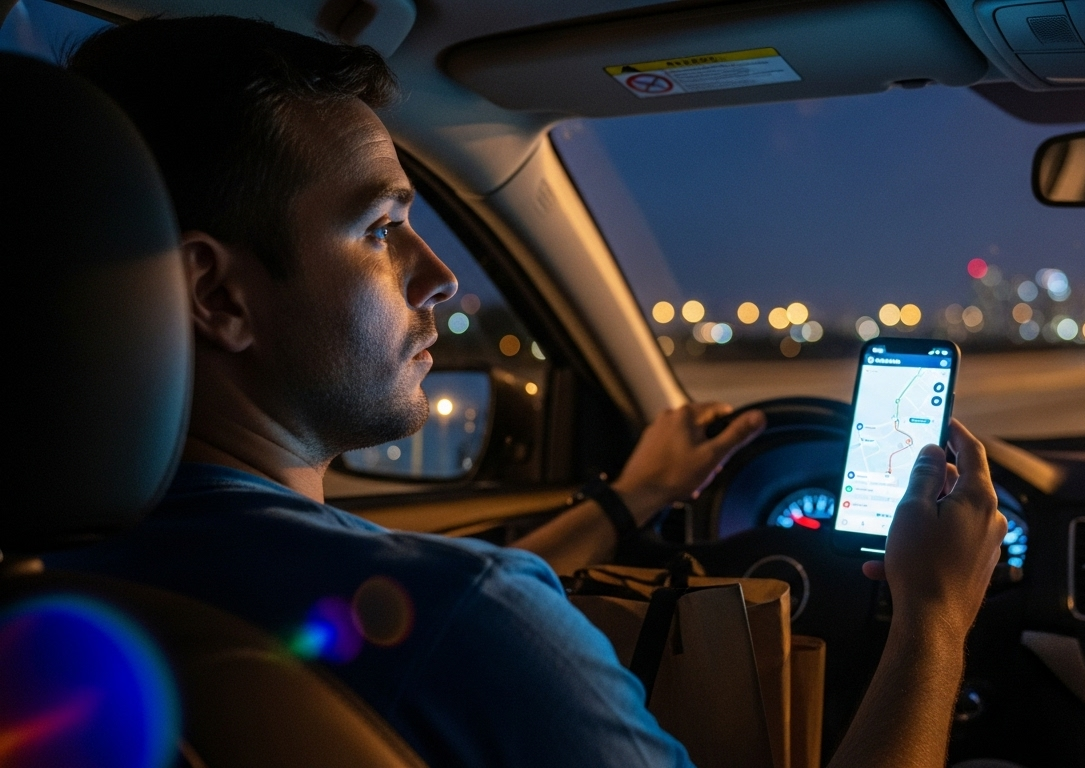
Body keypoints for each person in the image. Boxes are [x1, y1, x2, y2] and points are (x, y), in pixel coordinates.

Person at [47, 16, 1007, 768]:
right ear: (219, 296)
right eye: (380, 229)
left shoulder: (54, 574)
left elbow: (390, 614)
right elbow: (457, 618)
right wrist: (933, 620)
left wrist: (630, 500)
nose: (438, 277)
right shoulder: (476, 625)